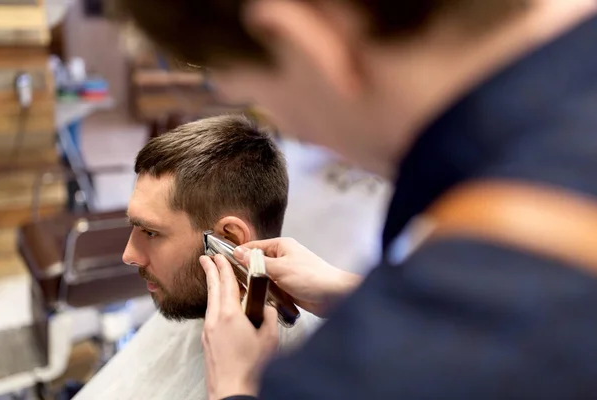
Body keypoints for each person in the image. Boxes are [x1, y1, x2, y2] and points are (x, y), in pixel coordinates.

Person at [114, 0, 597, 398]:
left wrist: (237, 386)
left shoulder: (416, 348)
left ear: (302, 40)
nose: (298, 132)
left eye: (259, 97)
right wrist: (346, 291)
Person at [72, 115, 319, 400]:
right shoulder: (191, 299)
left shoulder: (314, 379)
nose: (129, 255)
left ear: (230, 239)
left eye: (150, 232)